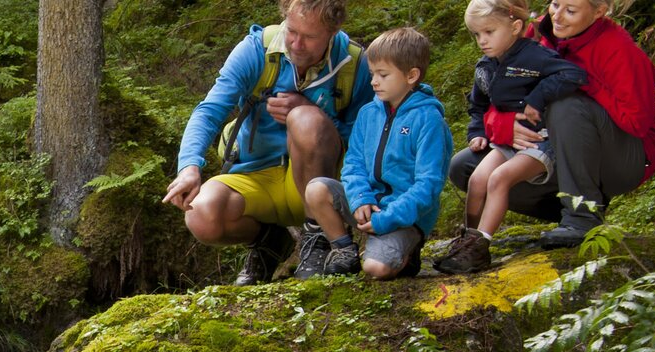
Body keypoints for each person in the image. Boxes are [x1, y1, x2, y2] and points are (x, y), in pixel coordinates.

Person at [162, 0, 373, 285]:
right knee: (201, 214)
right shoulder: (257, 50)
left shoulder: (354, 64)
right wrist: (189, 166)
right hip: (255, 173)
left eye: (309, 37)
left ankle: (318, 238)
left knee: (305, 119)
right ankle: (269, 242)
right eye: (292, 31)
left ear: (333, 32)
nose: (297, 44)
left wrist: (311, 111)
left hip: (318, 187)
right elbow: (209, 111)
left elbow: (365, 137)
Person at [445, 0, 655, 250]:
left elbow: (636, 122)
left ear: (599, 12)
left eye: (571, 10)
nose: (558, 16)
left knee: (565, 103)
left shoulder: (620, 50)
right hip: (552, 146)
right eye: (555, 4)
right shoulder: (534, 36)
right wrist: (501, 123)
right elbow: (501, 92)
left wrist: (582, 82)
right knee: (465, 168)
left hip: (622, 160)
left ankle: (581, 218)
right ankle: (562, 211)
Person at [436, 0, 585, 274]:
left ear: (516, 27)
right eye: (477, 34)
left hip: (541, 140)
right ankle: (469, 239)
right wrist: (477, 132)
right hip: (507, 141)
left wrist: (538, 98)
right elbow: (478, 105)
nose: (482, 41)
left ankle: (481, 247)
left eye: (489, 32)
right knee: (478, 178)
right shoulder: (485, 67)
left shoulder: (534, 56)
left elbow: (572, 74)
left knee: (498, 179)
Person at [298, 27, 451, 280]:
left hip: (404, 216)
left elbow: (429, 185)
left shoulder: (428, 119)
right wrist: (360, 198)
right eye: (372, 74)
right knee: (316, 190)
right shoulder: (369, 113)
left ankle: (407, 253)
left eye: (383, 74)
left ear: (411, 75)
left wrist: (387, 219)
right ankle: (344, 250)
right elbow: (354, 164)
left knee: (375, 269)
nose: (373, 82)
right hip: (370, 202)